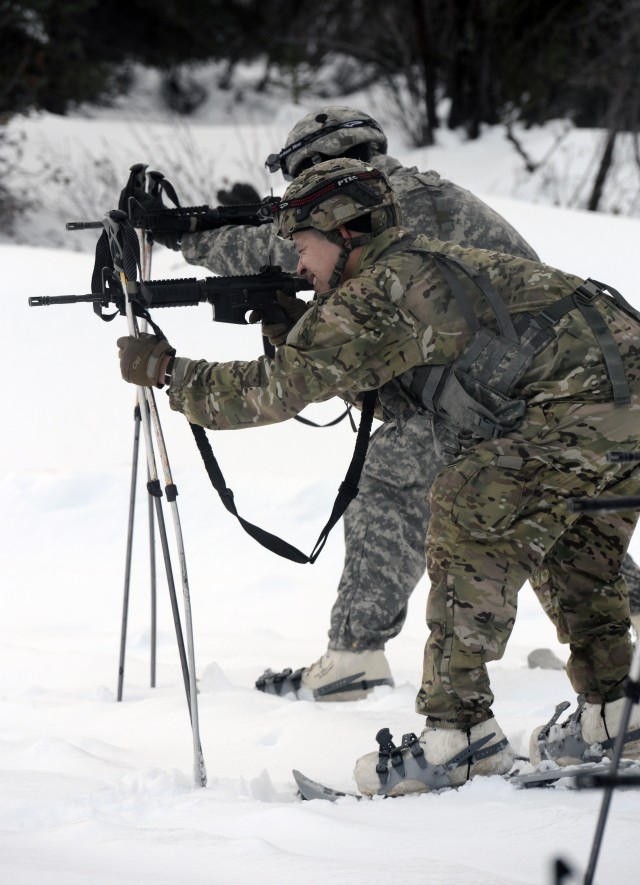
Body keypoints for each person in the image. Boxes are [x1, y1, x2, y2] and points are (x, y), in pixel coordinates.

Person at [119, 157, 640, 794]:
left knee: (468, 508)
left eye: (301, 246)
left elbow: (272, 395)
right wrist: (294, 329)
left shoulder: (385, 286)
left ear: (343, 232)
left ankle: (460, 739)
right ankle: (617, 717)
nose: (298, 265)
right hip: (620, 407)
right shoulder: (418, 266)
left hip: (584, 408)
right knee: (572, 552)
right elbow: (398, 395)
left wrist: (170, 372)